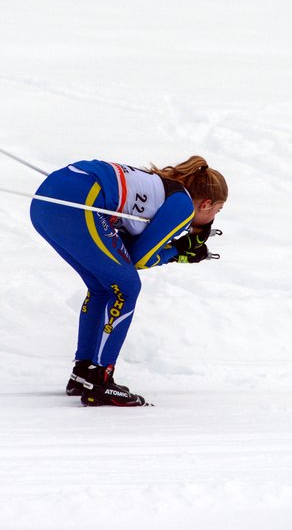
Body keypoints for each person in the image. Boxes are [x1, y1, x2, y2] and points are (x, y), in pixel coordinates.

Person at [29, 155, 227, 406]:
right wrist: (177, 253)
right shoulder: (183, 205)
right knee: (127, 286)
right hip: (78, 199)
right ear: (206, 204)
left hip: (46, 202)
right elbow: (139, 259)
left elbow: (127, 254)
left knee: (103, 286)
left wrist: (174, 251)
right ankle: (100, 380)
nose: (214, 219)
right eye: (217, 211)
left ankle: (83, 373)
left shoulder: (161, 190)